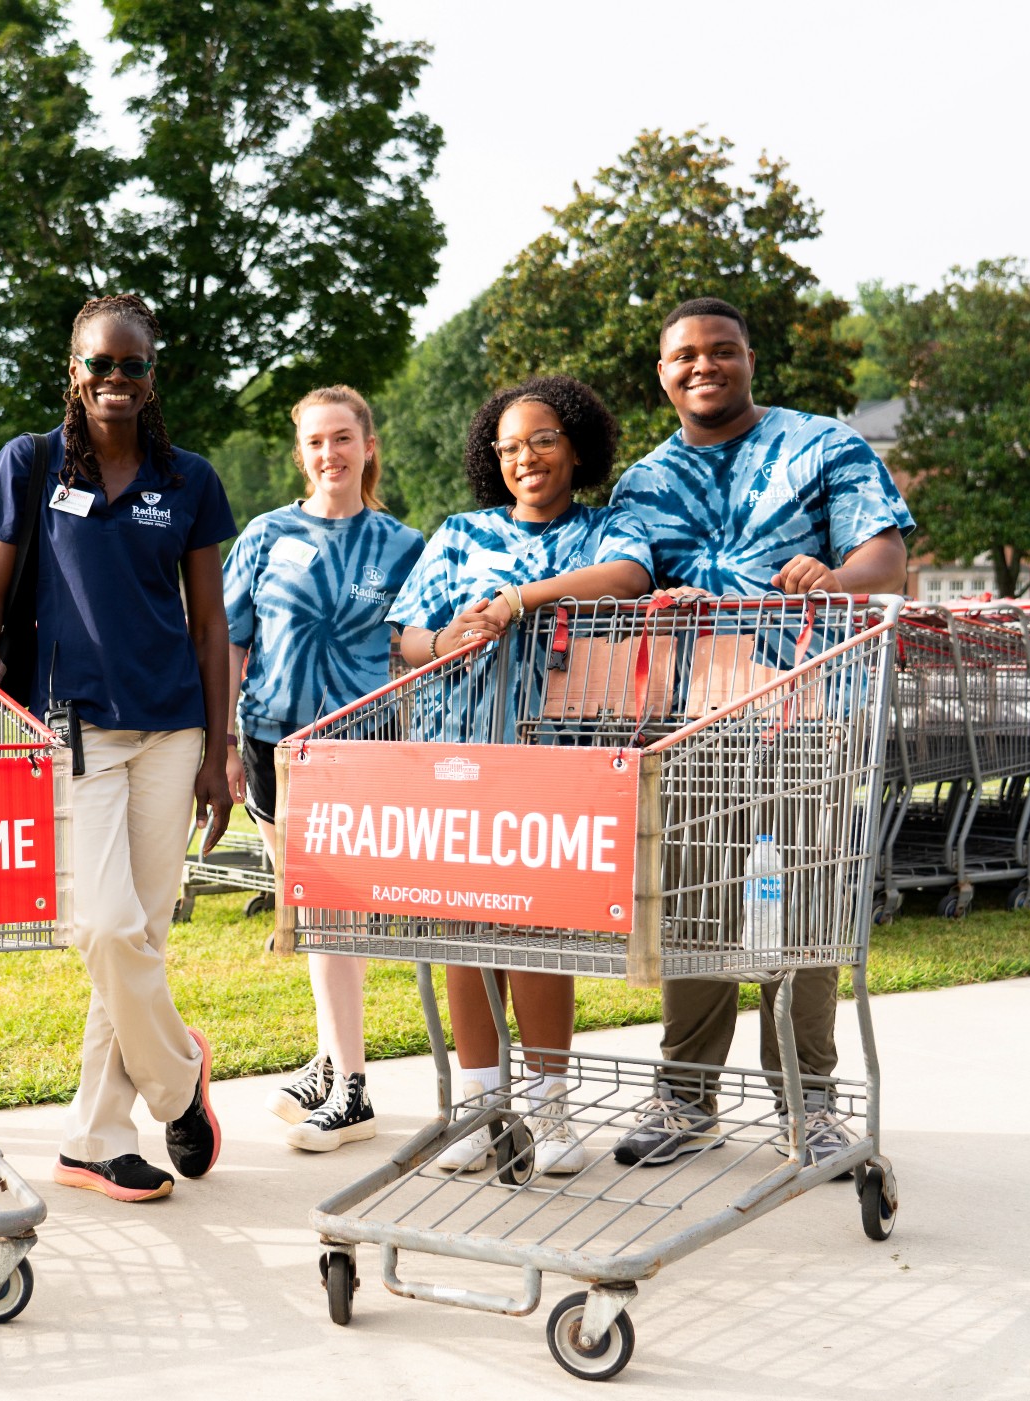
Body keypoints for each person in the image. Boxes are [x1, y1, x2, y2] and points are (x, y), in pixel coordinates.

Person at [605, 295, 912, 1170]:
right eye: (686, 355)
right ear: (662, 374)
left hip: (808, 713)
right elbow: (627, 580)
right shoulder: (643, 483)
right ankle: (685, 1097)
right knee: (694, 907)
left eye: (723, 350)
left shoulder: (823, 446)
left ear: (749, 359)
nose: (705, 365)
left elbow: (885, 558)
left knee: (798, 910)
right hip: (694, 723)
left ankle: (807, 1103)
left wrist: (838, 574)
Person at [0, 293, 234, 1203]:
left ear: (156, 376)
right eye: (100, 364)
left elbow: (210, 623)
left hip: (173, 727)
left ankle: (95, 1137)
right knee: (104, 927)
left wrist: (216, 750)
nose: (116, 379)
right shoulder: (30, 462)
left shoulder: (189, 479)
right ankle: (177, 1080)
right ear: (72, 370)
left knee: (140, 936)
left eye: (133, 365)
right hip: (73, 723)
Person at [386, 376, 652, 1174]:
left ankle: (550, 1111)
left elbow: (631, 577)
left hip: (556, 760)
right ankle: (478, 1108)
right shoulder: (460, 533)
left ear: (575, 444)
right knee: (463, 930)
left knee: (539, 931)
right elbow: (405, 630)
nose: (525, 458)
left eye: (540, 440)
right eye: (507, 448)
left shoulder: (608, 527)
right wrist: (444, 644)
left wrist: (517, 601)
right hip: (458, 753)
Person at [221, 385, 424, 1152]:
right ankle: (329, 1057)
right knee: (309, 916)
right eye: (315, 442)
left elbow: (417, 649)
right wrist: (225, 745)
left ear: (368, 445)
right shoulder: (267, 534)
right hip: (272, 745)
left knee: (334, 912)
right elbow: (232, 642)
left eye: (343, 438)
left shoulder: (404, 546)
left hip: (358, 750)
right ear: (300, 453)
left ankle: (354, 1089)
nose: (330, 454)